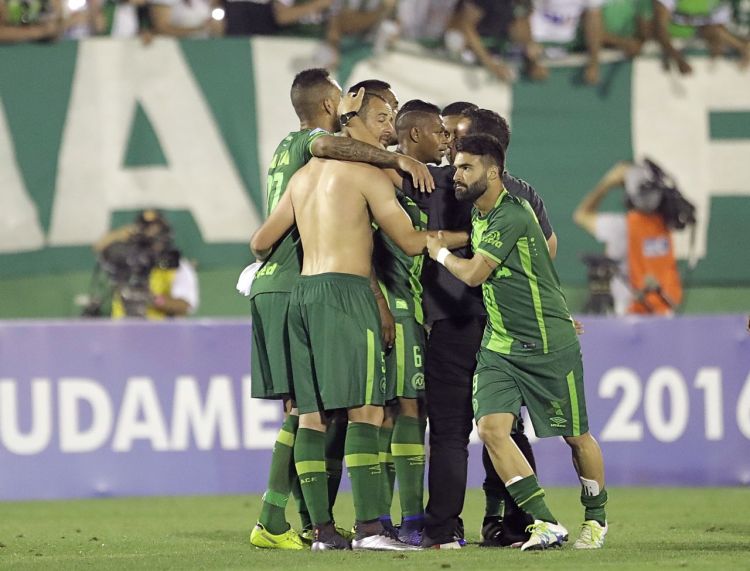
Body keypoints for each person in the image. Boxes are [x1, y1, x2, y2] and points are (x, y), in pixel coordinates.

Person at [251, 92, 467, 551]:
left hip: (301, 295)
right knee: (366, 409)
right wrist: (466, 236)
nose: (388, 126)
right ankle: (372, 528)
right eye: (383, 118)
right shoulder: (368, 174)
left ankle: (324, 533)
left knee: (311, 415)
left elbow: (261, 240)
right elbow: (409, 242)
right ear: (356, 123)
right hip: (346, 294)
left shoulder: (304, 176)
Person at [426, 133, 609, 551]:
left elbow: (474, 274)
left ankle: (596, 518)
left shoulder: (511, 213)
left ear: (493, 171)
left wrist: (436, 251)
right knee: (491, 428)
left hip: (547, 345)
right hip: (500, 346)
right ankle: (544, 522)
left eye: (466, 167)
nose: (456, 174)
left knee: (576, 437)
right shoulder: (479, 213)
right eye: (456, 166)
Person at [400, 102, 556, 549]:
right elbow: (547, 250)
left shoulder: (441, 180)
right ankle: (516, 523)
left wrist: (402, 158)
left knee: (450, 430)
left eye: (457, 138)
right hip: (509, 326)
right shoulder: (523, 194)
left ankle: (444, 528)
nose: (450, 146)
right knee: (506, 428)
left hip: (454, 321)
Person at [371, 101, 448, 546]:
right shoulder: (385, 177)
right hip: (396, 310)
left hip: (413, 309)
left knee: (392, 413)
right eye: (438, 131)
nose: (444, 139)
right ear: (414, 135)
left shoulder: (427, 182)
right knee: (403, 411)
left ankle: (385, 519)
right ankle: (407, 521)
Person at [573, 159, 684, 315]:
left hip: (630, 315)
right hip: (665, 312)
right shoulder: (664, 225)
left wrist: (607, 183)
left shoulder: (622, 227)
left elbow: (581, 215)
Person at [93, 209, 199, 319]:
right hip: (121, 328)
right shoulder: (126, 260)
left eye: (157, 232)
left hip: (159, 331)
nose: (151, 237)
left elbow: (185, 305)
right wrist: (126, 232)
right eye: (146, 230)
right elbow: (99, 247)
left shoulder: (175, 264)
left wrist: (153, 299)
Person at [654, 0, 750, 74]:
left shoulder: (717, 3)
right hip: (672, 40)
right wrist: (677, 58)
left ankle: (744, 48)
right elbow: (660, 29)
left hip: (696, 39)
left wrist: (717, 44)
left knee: (718, 33)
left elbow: (717, 28)